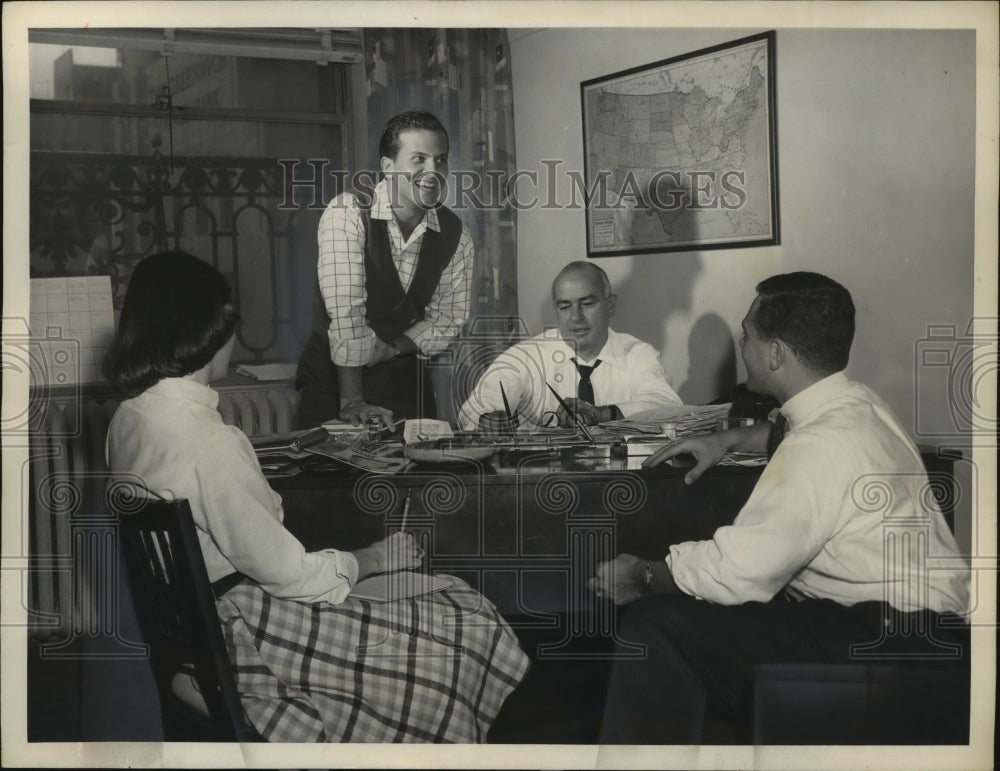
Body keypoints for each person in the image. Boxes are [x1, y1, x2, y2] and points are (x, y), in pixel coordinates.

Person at [105, 251, 528, 742]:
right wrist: (373, 556)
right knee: (464, 617)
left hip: (189, 635)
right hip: (243, 636)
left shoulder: (129, 418)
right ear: (205, 331)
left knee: (432, 605)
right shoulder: (210, 442)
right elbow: (290, 576)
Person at [590, 271, 971, 743]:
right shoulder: (860, 405)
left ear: (775, 354)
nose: (742, 344)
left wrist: (642, 576)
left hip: (887, 647)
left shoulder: (817, 447)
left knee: (656, 623)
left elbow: (737, 572)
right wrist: (727, 437)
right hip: (933, 635)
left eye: (747, 336)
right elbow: (788, 432)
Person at [295, 110, 474, 430]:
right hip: (334, 384)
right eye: (419, 158)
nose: (433, 171)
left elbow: (448, 318)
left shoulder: (455, 233)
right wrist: (352, 401)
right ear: (388, 167)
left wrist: (394, 349)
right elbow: (346, 313)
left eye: (441, 160)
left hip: (403, 381)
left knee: (416, 473)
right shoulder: (347, 212)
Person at [458, 261, 682, 432]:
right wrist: (488, 420)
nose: (576, 317)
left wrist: (602, 414)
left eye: (587, 304)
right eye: (565, 307)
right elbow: (473, 411)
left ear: (610, 306)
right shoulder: (525, 357)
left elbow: (669, 408)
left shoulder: (638, 354)